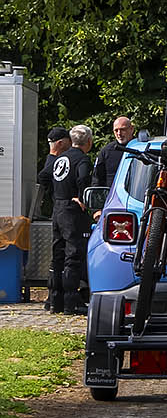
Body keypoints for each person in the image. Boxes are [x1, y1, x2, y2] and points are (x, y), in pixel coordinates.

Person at [36, 127, 91, 314]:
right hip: (72, 211)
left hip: (57, 210)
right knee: (73, 256)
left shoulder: (60, 158)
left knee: (57, 256)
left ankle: (54, 301)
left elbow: (43, 175)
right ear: (88, 142)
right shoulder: (82, 159)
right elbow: (83, 178)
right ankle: (71, 303)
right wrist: (83, 198)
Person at [95, 117, 135, 196]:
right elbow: (97, 179)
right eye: (116, 130)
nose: (119, 134)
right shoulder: (106, 151)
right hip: (112, 200)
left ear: (131, 129)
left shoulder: (141, 148)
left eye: (122, 130)